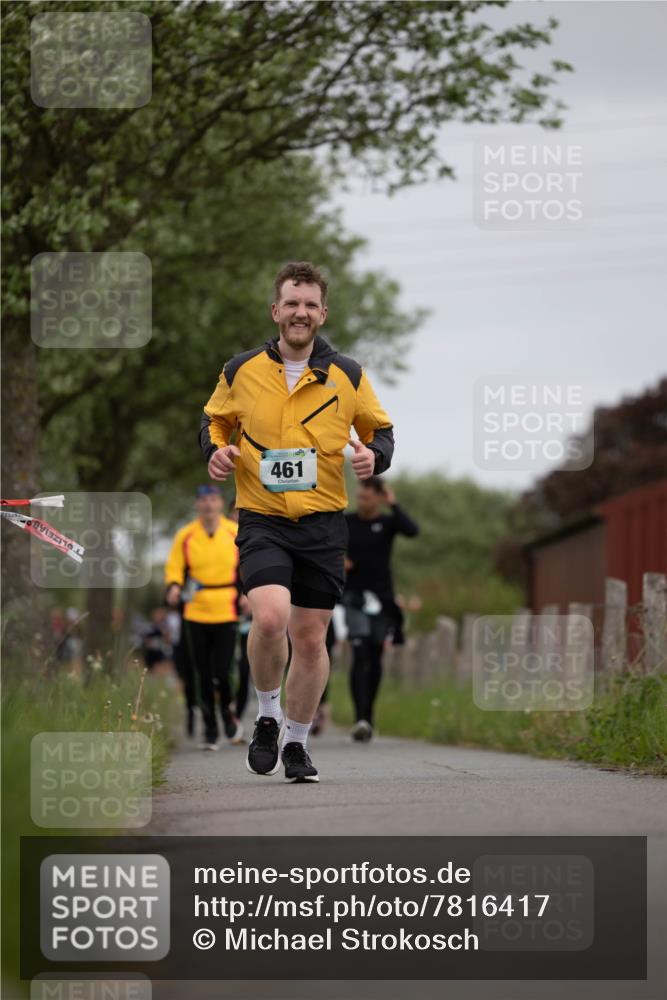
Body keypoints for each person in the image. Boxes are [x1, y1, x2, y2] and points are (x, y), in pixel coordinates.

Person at [199, 260, 394, 782]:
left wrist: (373, 457)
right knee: (269, 618)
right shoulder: (241, 369)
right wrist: (216, 452)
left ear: (322, 313)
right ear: (276, 310)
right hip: (262, 517)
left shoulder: (347, 375)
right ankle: (266, 715)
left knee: (311, 640)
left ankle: (297, 744)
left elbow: (381, 432)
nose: (300, 312)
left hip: (324, 523)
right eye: (292, 303)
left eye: (310, 304)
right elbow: (214, 420)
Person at [165, 485, 242, 750]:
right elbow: (175, 567)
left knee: (223, 670)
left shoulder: (233, 532)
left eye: (212, 500)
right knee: (203, 673)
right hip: (196, 609)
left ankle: (227, 714)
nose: (208, 505)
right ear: (197, 505)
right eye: (203, 500)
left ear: (220, 504)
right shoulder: (186, 535)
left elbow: (248, 564)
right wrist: (174, 586)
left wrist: (246, 593)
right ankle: (210, 727)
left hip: (227, 607)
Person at [344, 477, 419, 741]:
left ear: (378, 497)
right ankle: (359, 718)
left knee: (375, 655)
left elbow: (412, 531)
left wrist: (394, 503)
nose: (361, 501)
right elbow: (327, 544)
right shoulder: (346, 522)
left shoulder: (387, 523)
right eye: (359, 496)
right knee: (359, 651)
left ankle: (369, 716)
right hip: (354, 598)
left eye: (366, 497)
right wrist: (338, 559)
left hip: (383, 598)